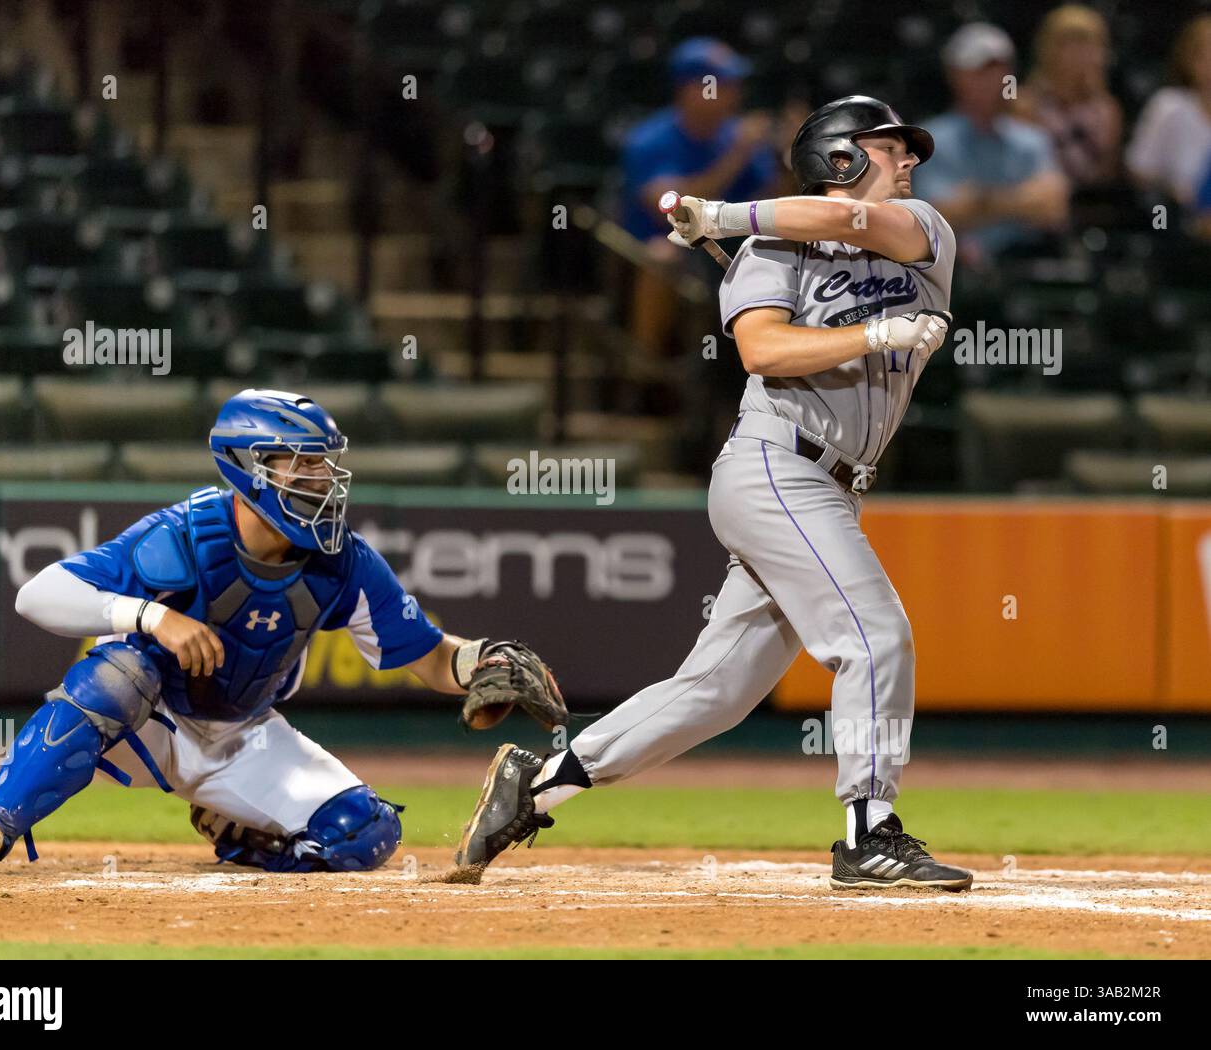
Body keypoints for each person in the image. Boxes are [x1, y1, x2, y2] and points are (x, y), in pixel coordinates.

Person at [454, 96, 973, 892]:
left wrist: (724, 215)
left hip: (832, 487)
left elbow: (861, 227)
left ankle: (540, 781)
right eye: (892, 147)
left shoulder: (923, 231)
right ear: (841, 157)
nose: (909, 162)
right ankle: (869, 833)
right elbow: (762, 348)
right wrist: (871, 334)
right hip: (774, 465)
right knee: (874, 637)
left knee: (716, 692)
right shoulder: (767, 250)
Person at [0, 389, 559, 874]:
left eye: (324, 465)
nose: (320, 480)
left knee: (364, 833)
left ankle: (240, 834)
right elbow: (37, 595)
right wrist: (153, 616)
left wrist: (479, 661)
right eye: (302, 464)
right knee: (118, 673)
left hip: (243, 731)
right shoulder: (186, 535)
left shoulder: (344, 560)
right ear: (249, 469)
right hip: (149, 716)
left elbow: (428, 658)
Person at [620, 37, 787, 356]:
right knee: (661, 256)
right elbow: (670, 209)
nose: (736, 92)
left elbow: (774, 201)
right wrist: (737, 155)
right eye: (725, 84)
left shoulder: (736, 134)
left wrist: (789, 159)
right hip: (671, 250)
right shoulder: (650, 139)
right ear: (691, 89)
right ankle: (644, 368)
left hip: (728, 248)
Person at [911, 22, 1069, 266]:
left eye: (999, 70)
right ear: (955, 75)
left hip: (1025, 263)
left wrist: (980, 201)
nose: (991, 80)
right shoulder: (929, 139)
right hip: (957, 271)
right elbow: (938, 215)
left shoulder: (1032, 138)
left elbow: (1053, 209)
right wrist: (1023, 202)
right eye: (980, 71)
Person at [1016, 5, 1123, 188]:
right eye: (1071, 44)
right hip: (1041, 203)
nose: (1082, 54)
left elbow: (1108, 175)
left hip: (1093, 205)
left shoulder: (1107, 110)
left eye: (1090, 44)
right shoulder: (1025, 104)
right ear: (1048, 49)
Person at [1126, 14, 1211, 205]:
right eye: (1206, 54)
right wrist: (1171, 191)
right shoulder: (1169, 106)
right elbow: (1139, 171)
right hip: (1171, 216)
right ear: (1190, 61)